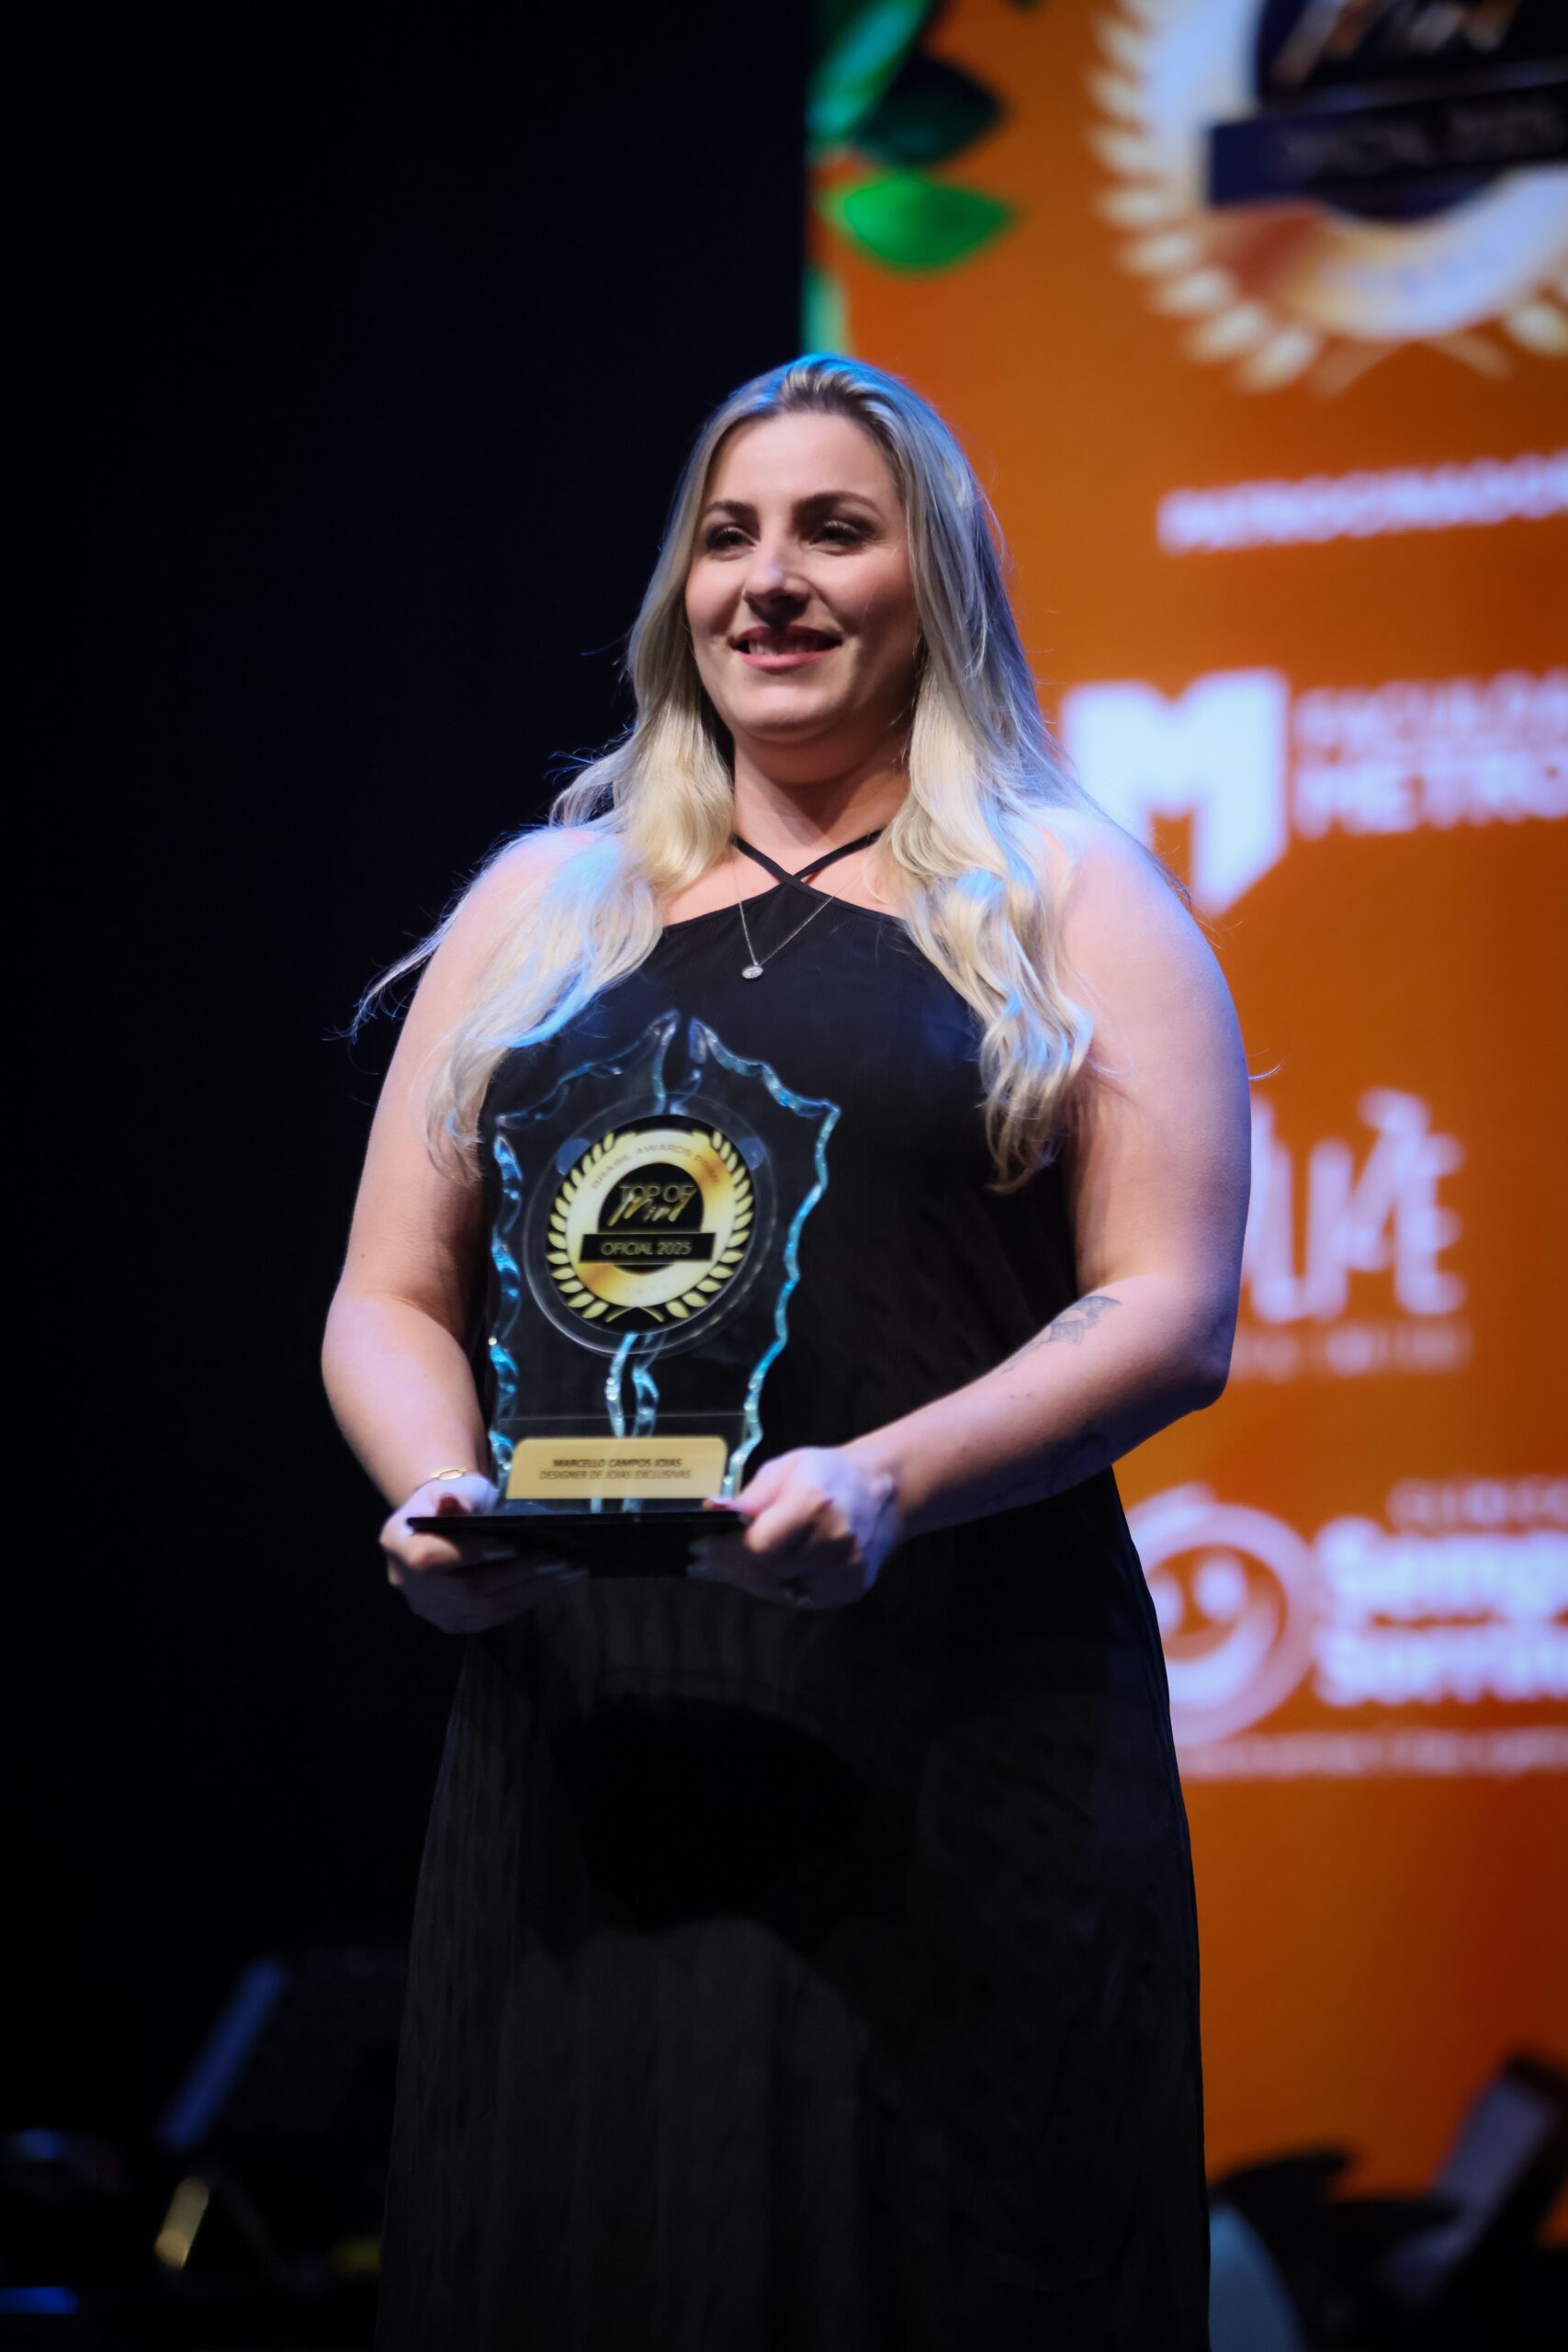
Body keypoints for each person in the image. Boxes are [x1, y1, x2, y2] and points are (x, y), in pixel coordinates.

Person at [323, 353, 1249, 2350]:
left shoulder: (1069, 894)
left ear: (940, 583)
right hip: (591, 1739)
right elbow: (389, 1295)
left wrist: (886, 1481)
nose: (770, 580)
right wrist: (438, 1496)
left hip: (947, 1719)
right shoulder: (541, 908)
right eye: (727, 536)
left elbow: (1166, 1311)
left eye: (835, 530)